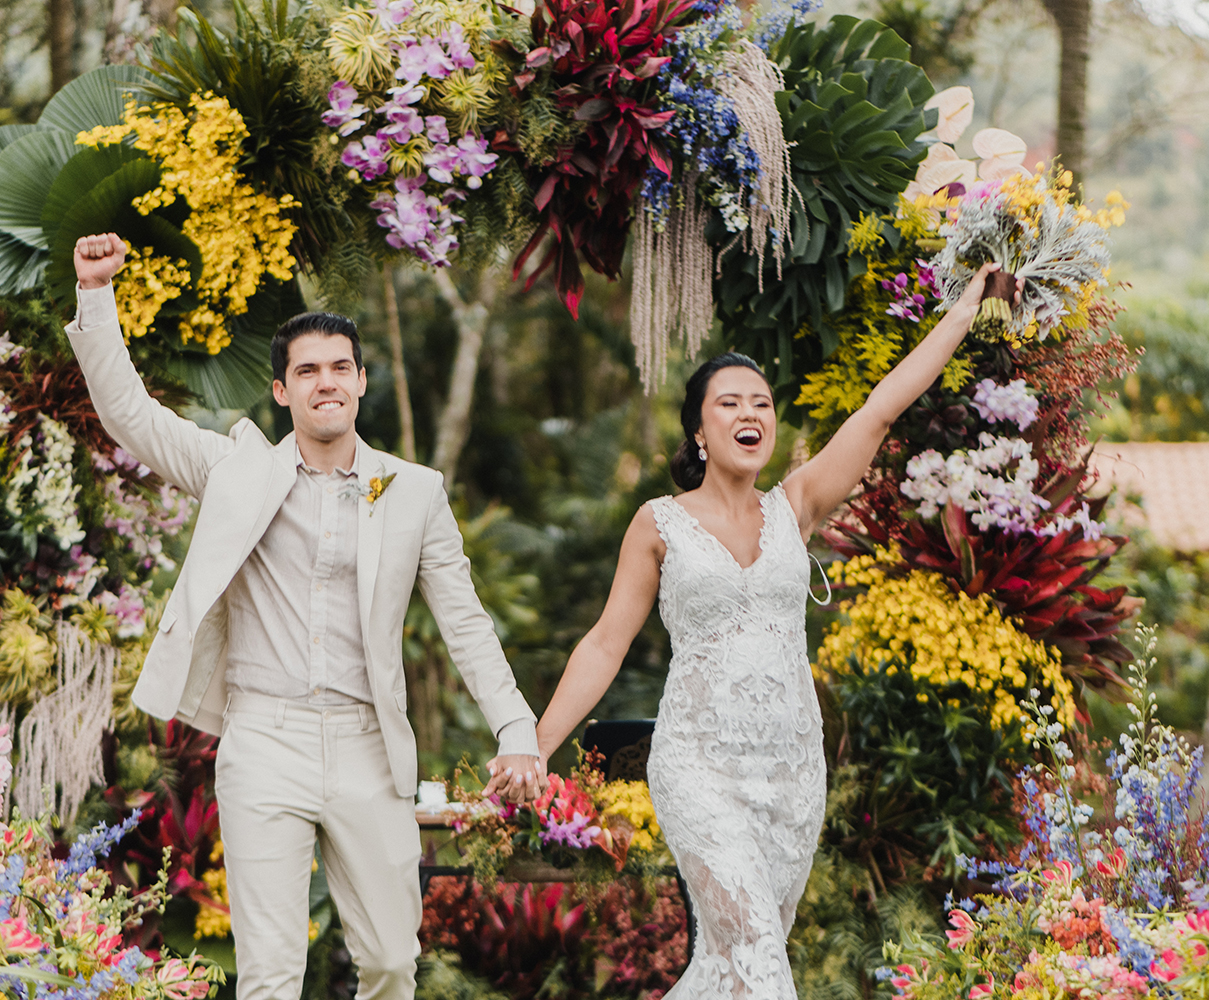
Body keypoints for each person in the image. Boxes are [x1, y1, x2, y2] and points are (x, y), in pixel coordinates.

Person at [66, 233, 546, 1000]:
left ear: (360, 382)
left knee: (392, 961)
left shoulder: (415, 491)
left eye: (340, 368)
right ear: (283, 391)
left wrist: (517, 730)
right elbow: (129, 413)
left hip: (368, 744)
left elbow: (466, 622)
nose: (327, 382)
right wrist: (95, 294)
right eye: (307, 371)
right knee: (270, 974)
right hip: (263, 740)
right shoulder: (235, 470)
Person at [534, 263, 1018, 999]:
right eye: (728, 403)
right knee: (762, 957)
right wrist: (532, 747)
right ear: (699, 428)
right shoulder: (658, 524)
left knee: (728, 971)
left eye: (759, 402)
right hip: (698, 766)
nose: (748, 412)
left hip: (792, 773)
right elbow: (605, 642)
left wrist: (963, 311)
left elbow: (879, 413)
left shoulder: (797, 506)